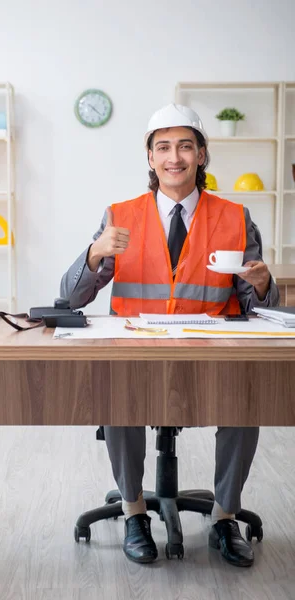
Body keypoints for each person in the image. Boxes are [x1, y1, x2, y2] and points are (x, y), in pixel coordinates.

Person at [60, 103, 279, 568]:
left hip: (212, 353)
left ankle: (224, 516)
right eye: (163, 147)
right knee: (119, 401)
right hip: (136, 352)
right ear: (150, 157)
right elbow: (71, 297)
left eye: (184, 146)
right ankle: (134, 510)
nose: (173, 157)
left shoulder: (235, 217)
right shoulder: (120, 215)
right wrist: (96, 253)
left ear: (202, 155)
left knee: (247, 405)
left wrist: (262, 284)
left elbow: (260, 308)